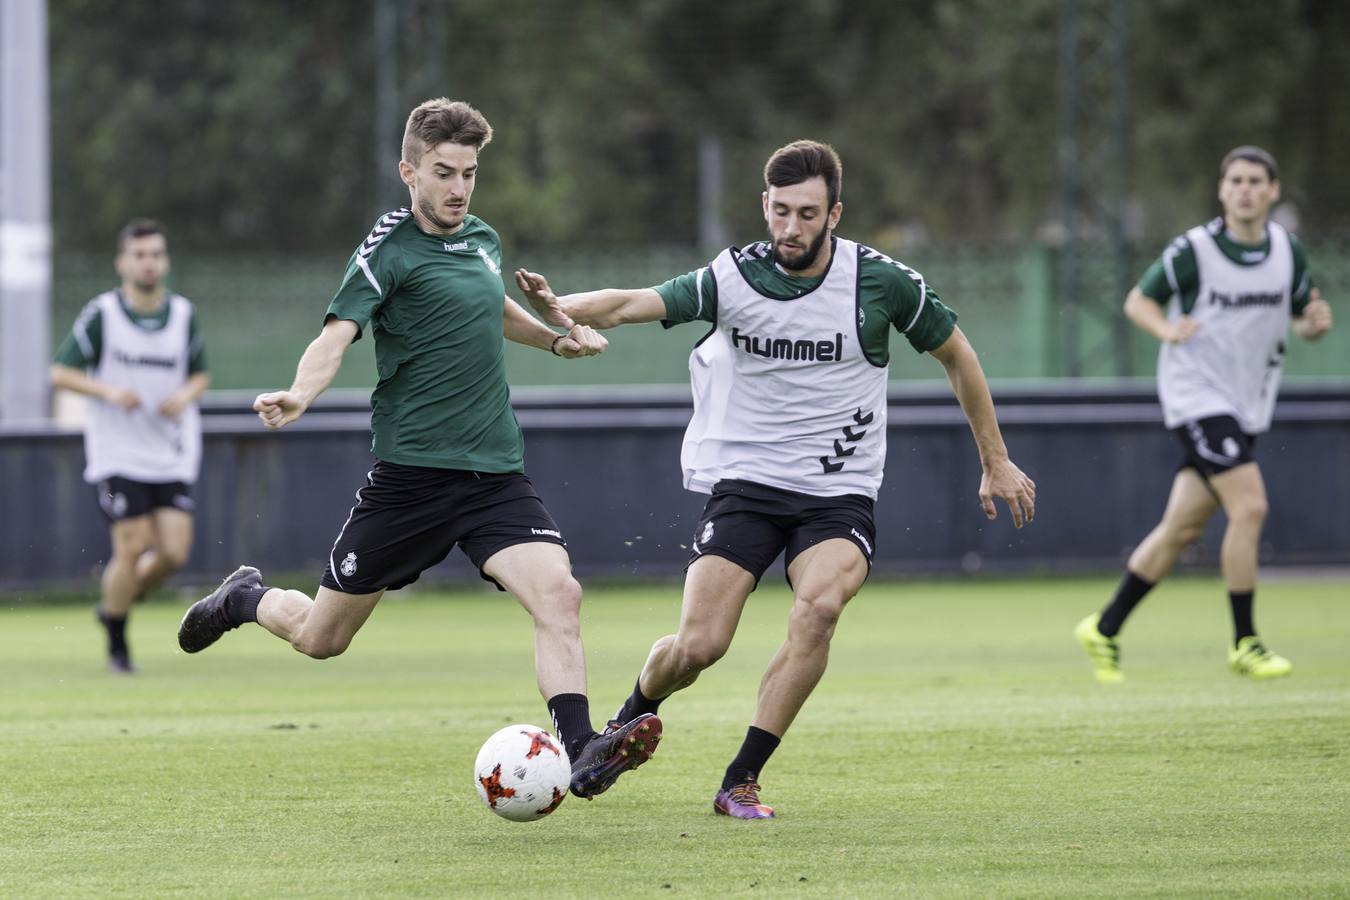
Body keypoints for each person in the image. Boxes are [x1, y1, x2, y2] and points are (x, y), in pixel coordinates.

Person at [516, 139, 1036, 819]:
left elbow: (958, 355)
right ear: (764, 205)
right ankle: (623, 725)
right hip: (747, 487)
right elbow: (633, 303)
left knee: (818, 609)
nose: (791, 228)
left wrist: (995, 459)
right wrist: (566, 307)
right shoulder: (733, 277)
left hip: (837, 493)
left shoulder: (879, 282)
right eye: (781, 211)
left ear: (835, 214)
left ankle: (740, 779)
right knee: (699, 645)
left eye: (807, 214)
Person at [176, 98, 660, 798]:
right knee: (320, 637)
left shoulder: (483, 239)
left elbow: (491, 308)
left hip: (493, 473)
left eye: (469, 173)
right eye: (443, 172)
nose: (458, 188)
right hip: (410, 483)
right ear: (409, 171)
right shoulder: (385, 251)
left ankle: (583, 748)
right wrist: (299, 394)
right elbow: (335, 335)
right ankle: (246, 599)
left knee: (561, 595)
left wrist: (556, 340)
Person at [1075, 145, 1333, 684]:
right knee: (1252, 506)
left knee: (1182, 527)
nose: (1244, 189)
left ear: (1272, 191)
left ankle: (1105, 626)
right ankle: (1246, 642)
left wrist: (1315, 324)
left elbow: (1304, 320)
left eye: (1255, 181)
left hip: (1245, 405)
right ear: (1222, 190)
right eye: (1234, 180)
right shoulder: (1195, 250)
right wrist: (1167, 329)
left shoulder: (1288, 252)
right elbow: (1137, 301)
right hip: (1196, 396)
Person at [50, 219, 210, 674]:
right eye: (139, 255)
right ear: (123, 262)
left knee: (174, 553)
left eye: (156, 254)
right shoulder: (103, 314)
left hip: (170, 451)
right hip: (118, 451)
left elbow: (200, 373)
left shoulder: (182, 314)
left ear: (166, 261)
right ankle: (118, 645)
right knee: (133, 544)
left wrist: (184, 394)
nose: (148, 263)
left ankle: (113, 603)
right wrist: (108, 392)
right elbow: (61, 372)